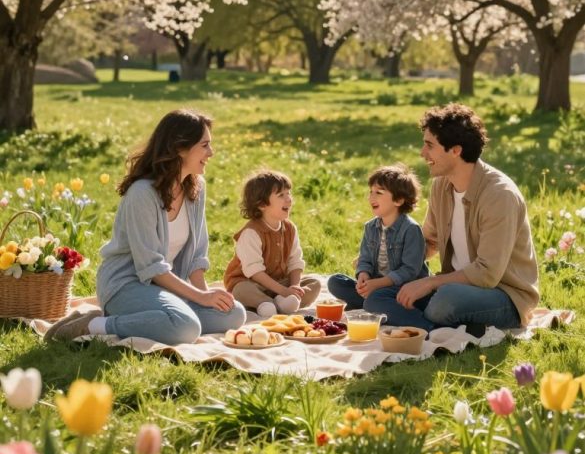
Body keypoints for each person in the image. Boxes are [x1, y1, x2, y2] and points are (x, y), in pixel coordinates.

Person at [45, 109, 246, 344]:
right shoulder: (142, 193)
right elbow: (151, 267)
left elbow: (196, 255)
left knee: (234, 313)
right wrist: (200, 298)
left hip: (166, 287)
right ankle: (94, 324)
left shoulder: (196, 187)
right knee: (186, 327)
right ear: (180, 148)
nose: (211, 152)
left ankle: (157, 320)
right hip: (126, 286)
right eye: (204, 145)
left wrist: (206, 295)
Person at [383, 103, 539, 335]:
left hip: (504, 295)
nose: (422, 153)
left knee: (445, 301)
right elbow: (430, 241)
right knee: (374, 295)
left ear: (456, 150)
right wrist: (385, 261)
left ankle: (420, 322)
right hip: (453, 285)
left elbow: (487, 273)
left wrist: (429, 283)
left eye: (429, 145)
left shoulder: (499, 195)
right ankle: (436, 322)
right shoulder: (441, 185)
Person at [327, 164, 429, 315]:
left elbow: (409, 270)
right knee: (335, 282)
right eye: (371, 192)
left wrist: (379, 284)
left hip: (404, 289)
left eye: (379, 193)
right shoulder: (370, 227)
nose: (371, 197)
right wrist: (363, 275)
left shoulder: (411, 229)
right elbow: (365, 258)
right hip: (377, 286)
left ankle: (420, 321)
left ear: (398, 200)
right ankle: (374, 304)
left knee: (376, 299)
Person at [223, 169, 321, 318]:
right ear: (262, 204)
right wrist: (284, 292)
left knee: (314, 283)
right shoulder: (251, 233)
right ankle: (267, 303)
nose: (289, 199)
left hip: (280, 283)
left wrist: (294, 287)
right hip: (251, 283)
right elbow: (255, 273)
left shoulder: (290, 228)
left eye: (289, 193)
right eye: (281, 195)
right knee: (240, 290)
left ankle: (278, 303)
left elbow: (295, 262)